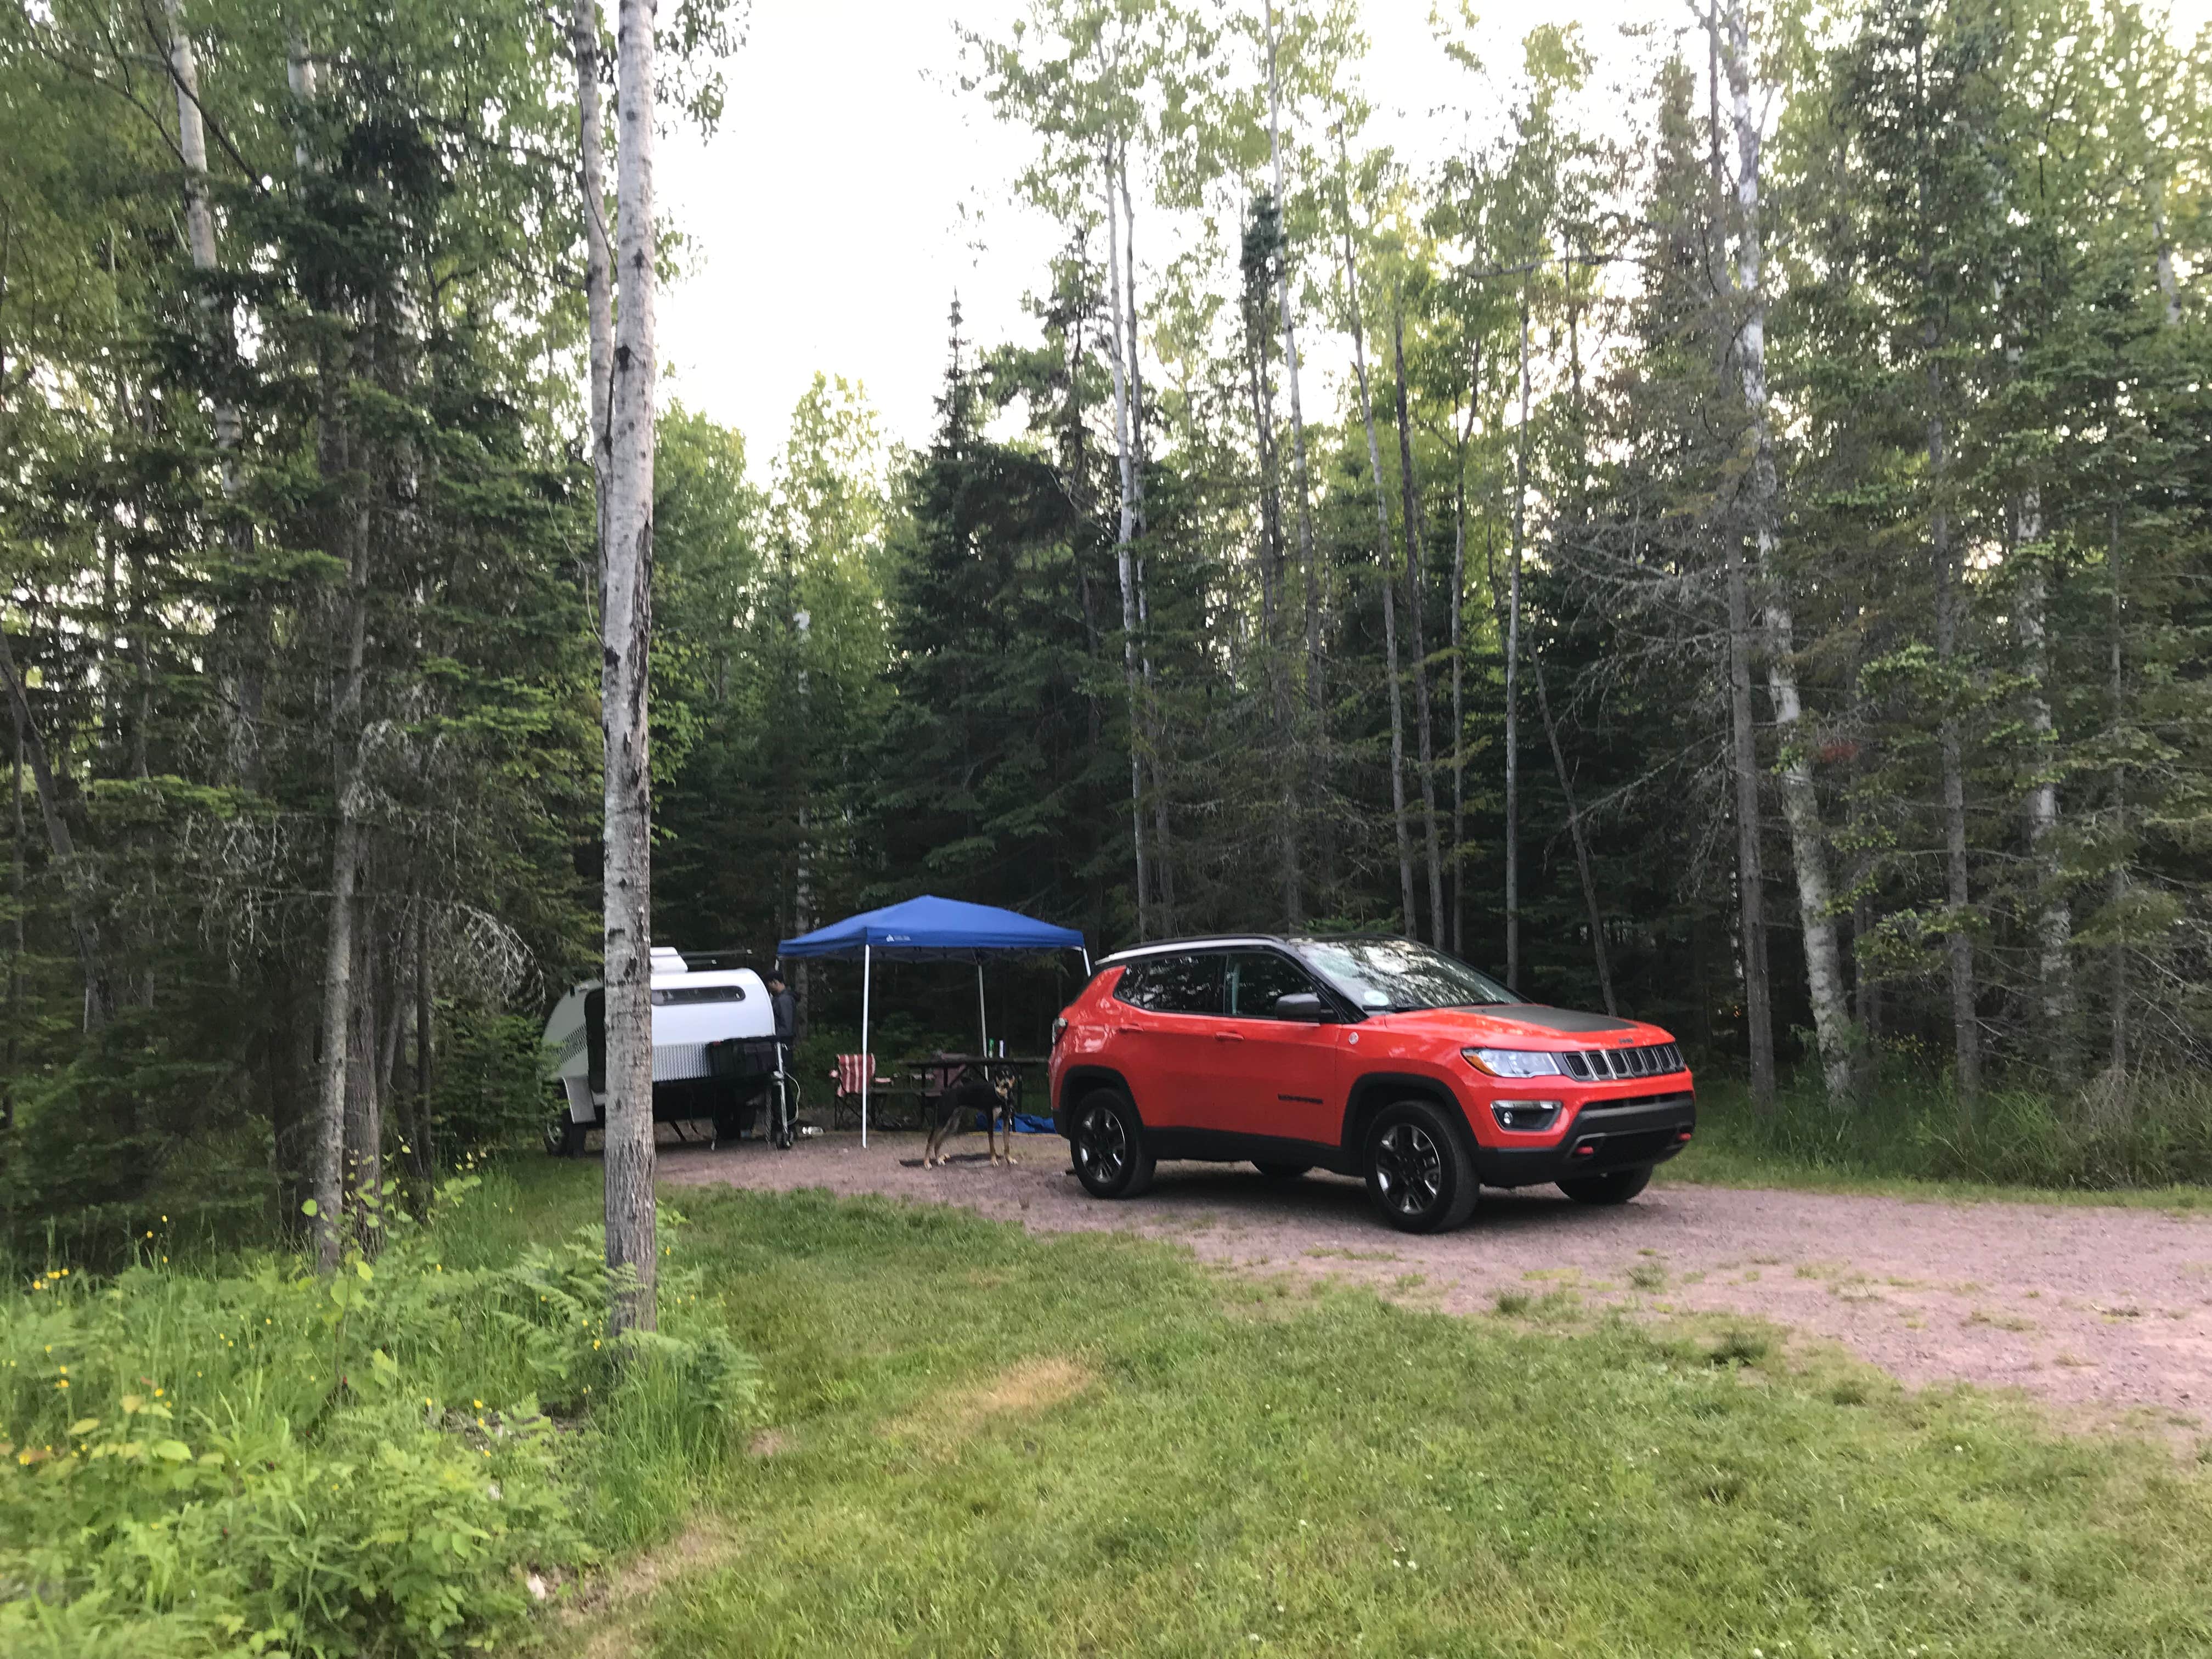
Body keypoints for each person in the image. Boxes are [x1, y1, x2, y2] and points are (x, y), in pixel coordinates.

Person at [764, 969, 797, 1149]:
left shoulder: (784, 1001)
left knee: (784, 1088)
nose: (769, 988)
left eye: (769, 984)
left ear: (775, 982)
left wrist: (771, 1035)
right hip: (780, 1048)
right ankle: (785, 1124)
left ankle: (789, 1125)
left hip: (783, 1049)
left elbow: (786, 1028)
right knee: (781, 1088)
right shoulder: (780, 999)